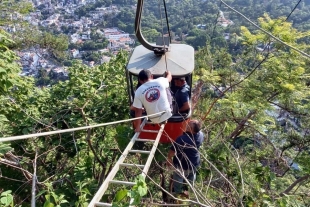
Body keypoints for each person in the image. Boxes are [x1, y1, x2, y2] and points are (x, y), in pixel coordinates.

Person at [166, 119, 204, 195]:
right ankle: (189, 190)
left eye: (189, 124)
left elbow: (172, 152)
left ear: (191, 129)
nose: (188, 123)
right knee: (191, 177)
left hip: (182, 165)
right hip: (194, 163)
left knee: (178, 180)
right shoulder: (201, 135)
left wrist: (169, 159)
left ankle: (178, 193)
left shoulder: (182, 139)